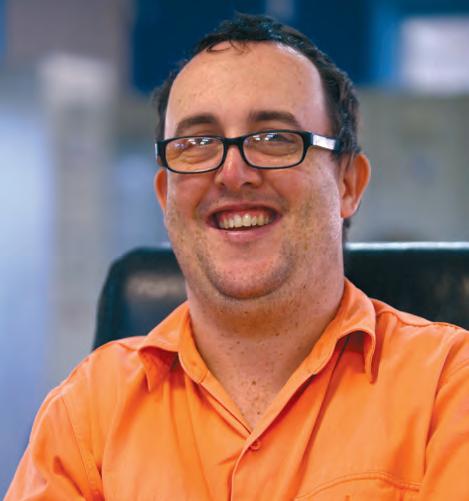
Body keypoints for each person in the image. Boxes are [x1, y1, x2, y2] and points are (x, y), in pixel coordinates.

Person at [7, 13, 469, 500]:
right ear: (165, 196)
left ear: (348, 184)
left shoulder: (448, 387)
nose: (232, 173)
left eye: (274, 138)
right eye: (196, 143)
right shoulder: (87, 415)